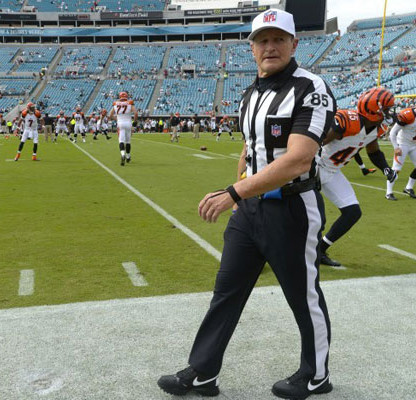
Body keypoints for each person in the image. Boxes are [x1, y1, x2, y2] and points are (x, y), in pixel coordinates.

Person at [157, 9, 335, 399]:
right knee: (227, 290)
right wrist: (241, 193)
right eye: (262, 40)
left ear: (294, 44)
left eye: (278, 39)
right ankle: (203, 372)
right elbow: (249, 150)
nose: (269, 47)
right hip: (250, 208)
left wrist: (234, 193)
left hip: (292, 206)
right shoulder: (249, 93)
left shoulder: (311, 87)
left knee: (302, 295)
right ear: (251, 48)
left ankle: (316, 373)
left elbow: (299, 159)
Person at [317, 88, 398, 267]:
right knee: (312, 217)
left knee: (352, 212)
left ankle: (319, 250)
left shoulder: (376, 128)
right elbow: (316, 142)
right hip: (314, 168)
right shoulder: (348, 121)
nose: (389, 112)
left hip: (332, 171)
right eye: (386, 108)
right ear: (373, 109)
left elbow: (374, 151)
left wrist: (385, 168)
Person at [385, 96, 416, 200]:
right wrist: (396, 147)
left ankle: (408, 187)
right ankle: (388, 192)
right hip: (403, 144)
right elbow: (392, 133)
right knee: (396, 169)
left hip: (415, 144)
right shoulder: (407, 115)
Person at [109, 91, 137, 166]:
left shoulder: (115, 103)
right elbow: (136, 113)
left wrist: (117, 119)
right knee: (128, 141)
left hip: (120, 123)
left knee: (121, 141)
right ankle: (128, 156)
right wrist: (135, 122)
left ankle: (123, 154)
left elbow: (110, 115)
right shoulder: (130, 102)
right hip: (128, 123)